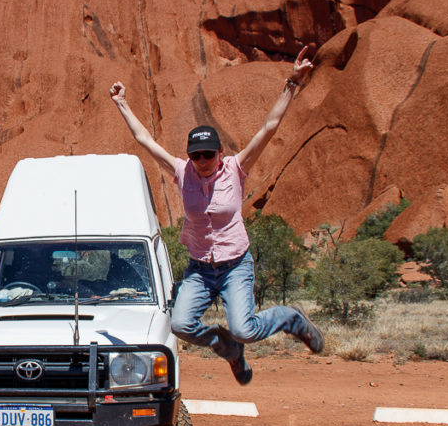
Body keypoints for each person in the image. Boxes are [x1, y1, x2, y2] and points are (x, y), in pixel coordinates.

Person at [109, 47, 323, 385]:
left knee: (245, 328)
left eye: (208, 154)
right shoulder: (183, 172)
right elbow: (144, 140)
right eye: (196, 155)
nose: (203, 160)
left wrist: (292, 84)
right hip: (200, 268)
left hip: (235, 265)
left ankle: (289, 318)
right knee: (181, 325)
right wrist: (122, 103)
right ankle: (229, 350)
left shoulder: (236, 169)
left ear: (220, 153)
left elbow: (269, 127)